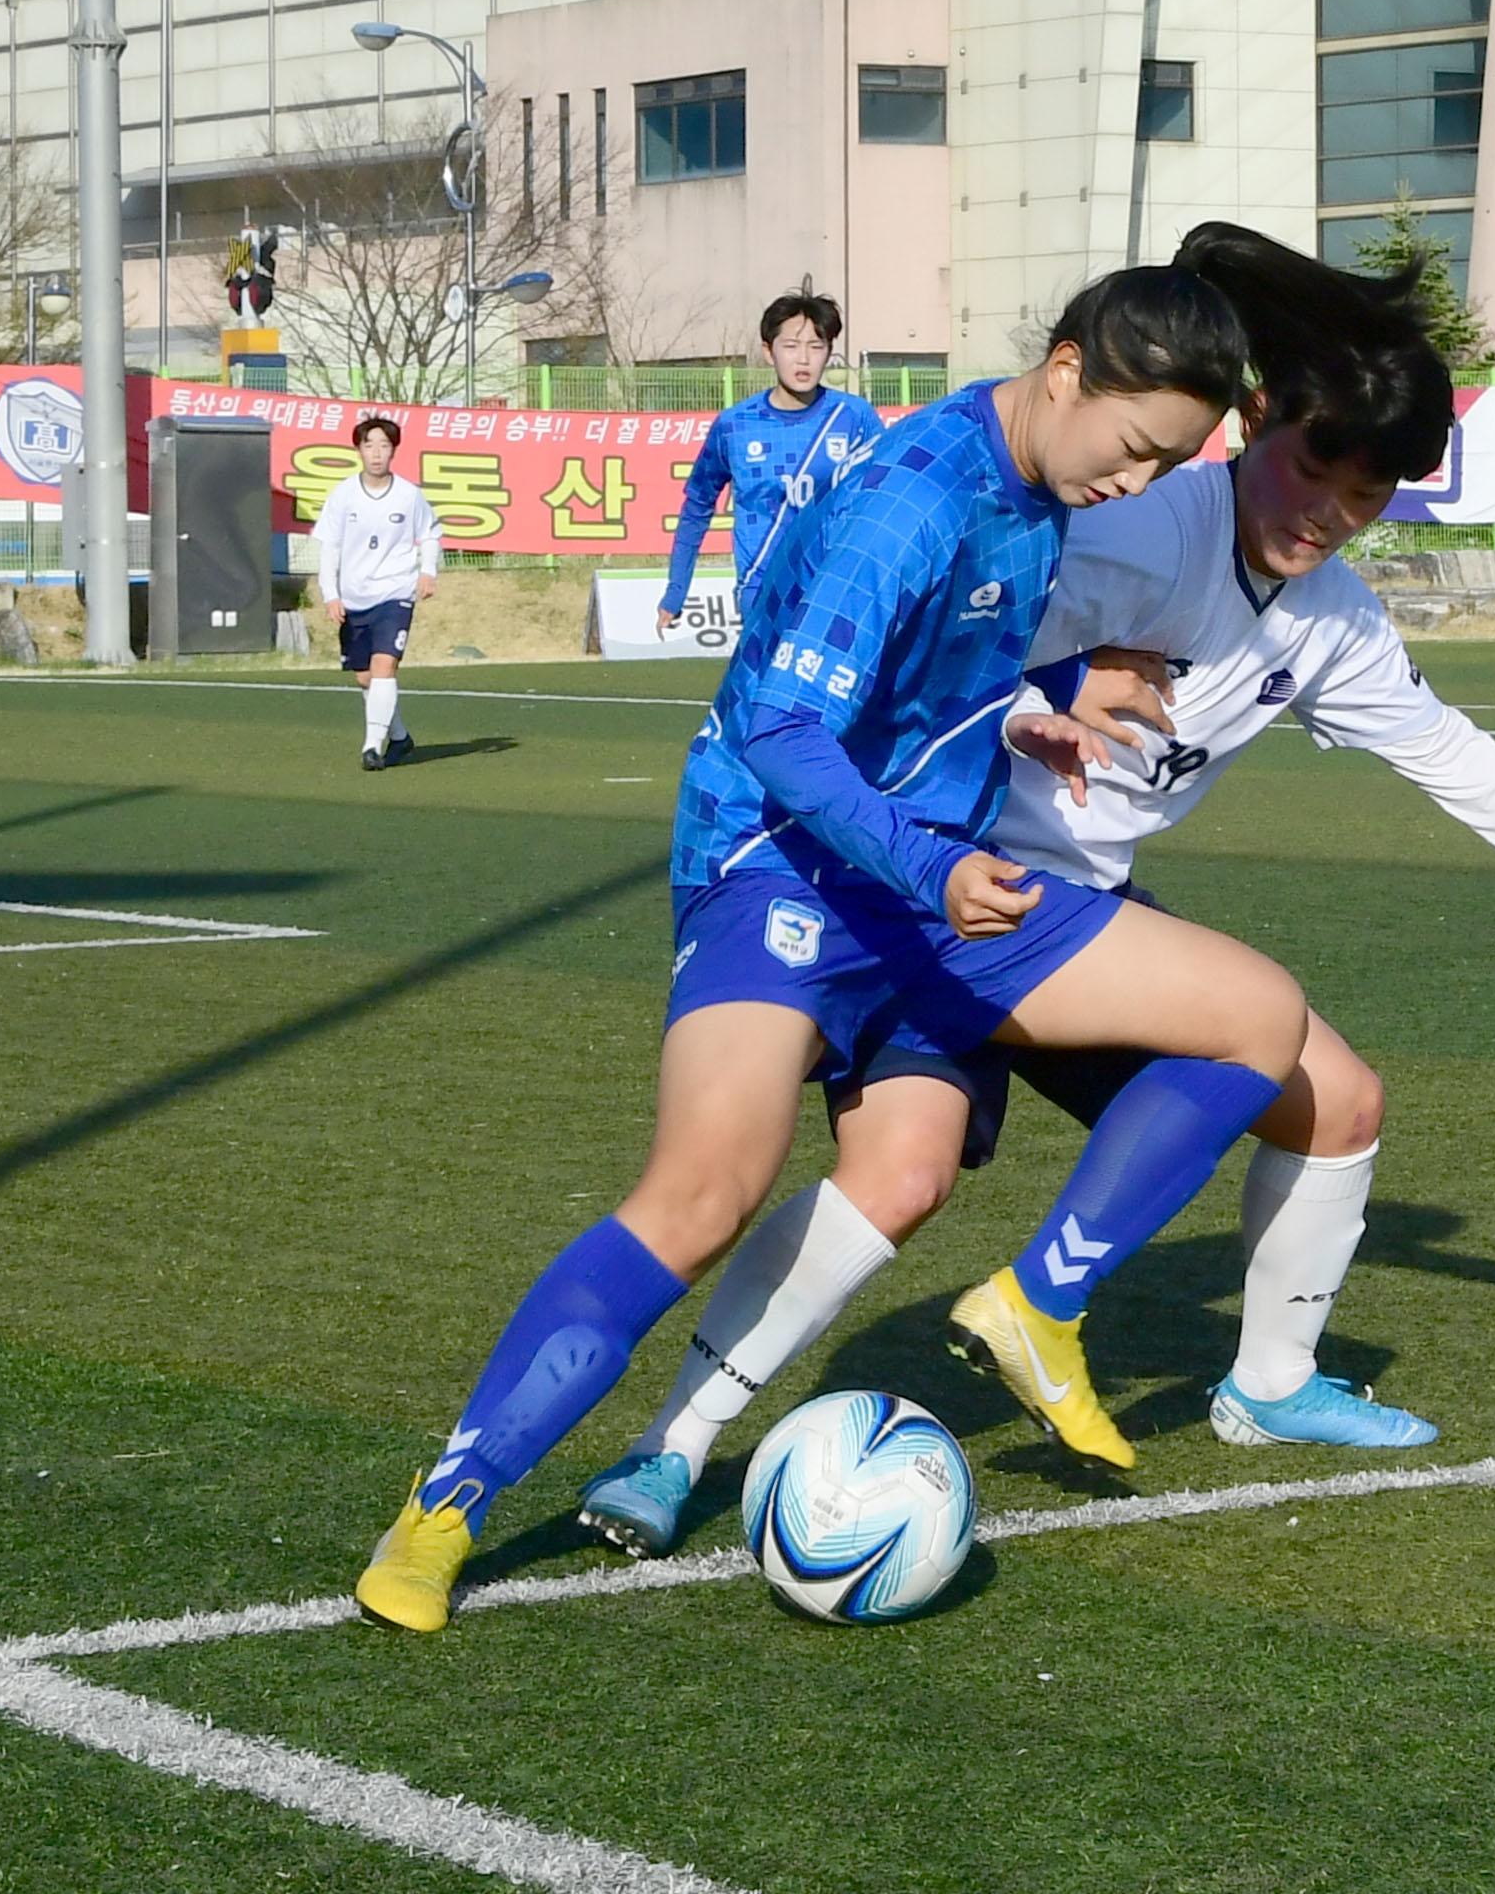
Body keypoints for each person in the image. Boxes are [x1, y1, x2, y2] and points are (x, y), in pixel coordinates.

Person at [572, 240, 1495, 1554]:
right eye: (1310, 469)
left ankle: (1270, 1386)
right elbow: (927, 658)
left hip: (1076, 909)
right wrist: (1048, 696)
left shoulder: (1333, 621)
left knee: (1337, 1101)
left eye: (1364, 496)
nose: (1326, 512)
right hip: (937, 888)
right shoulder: (1126, 533)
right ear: (1251, 429)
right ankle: (677, 1444)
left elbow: (1446, 750)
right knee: (898, 1178)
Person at [356, 251, 1314, 1634]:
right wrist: (931, 857)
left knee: (1245, 1021)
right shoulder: (913, 494)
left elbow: (948, 670)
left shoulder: (1039, 488)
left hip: (927, 883)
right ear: (1067, 372)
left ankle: (1026, 1312)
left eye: (1170, 463)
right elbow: (784, 737)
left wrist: (1048, 694)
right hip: (781, 860)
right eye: (1136, 445)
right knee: (704, 1190)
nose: (1140, 481)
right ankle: (446, 1509)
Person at [657, 292, 885, 634]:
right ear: (769, 351)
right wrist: (676, 591)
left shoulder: (853, 417)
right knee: (765, 687)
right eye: (791, 346)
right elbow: (697, 505)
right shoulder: (736, 425)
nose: (804, 359)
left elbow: (886, 498)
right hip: (762, 590)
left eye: (816, 346)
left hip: (834, 586)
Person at [306, 414, 442, 770]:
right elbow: (330, 547)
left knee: (384, 667)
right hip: (354, 597)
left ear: (394, 450)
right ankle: (400, 737)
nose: (377, 453)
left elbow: (430, 533)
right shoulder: (343, 495)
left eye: (384, 445)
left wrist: (427, 571)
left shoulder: (409, 495)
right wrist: (330, 593)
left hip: (395, 593)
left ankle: (371, 747)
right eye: (370, 446)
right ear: (359, 450)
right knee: (365, 676)